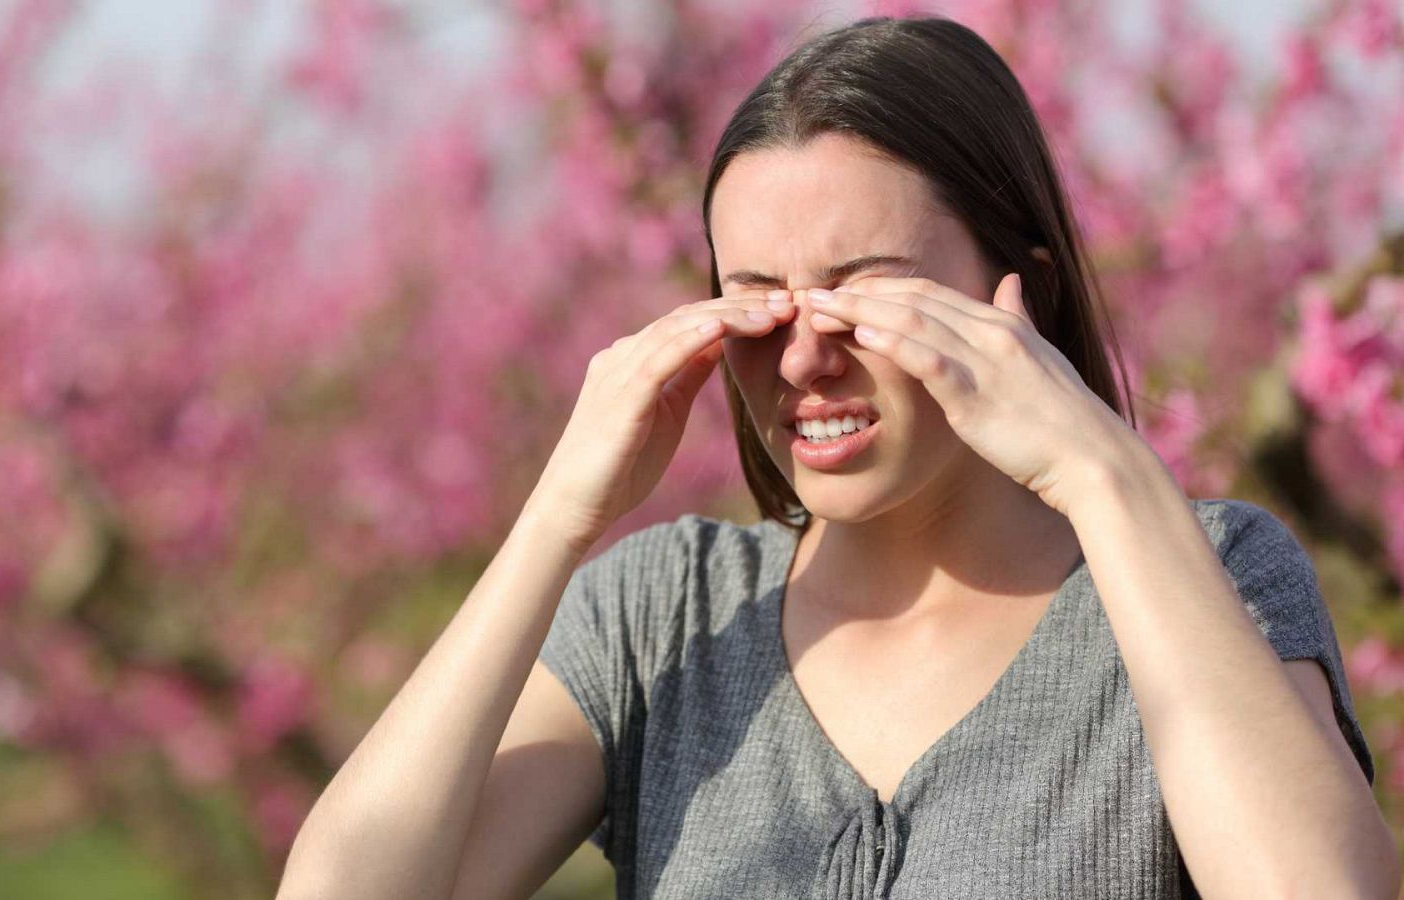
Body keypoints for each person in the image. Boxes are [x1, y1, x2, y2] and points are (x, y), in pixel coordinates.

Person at [276, 15, 1397, 900]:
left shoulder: (1207, 576)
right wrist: (558, 517)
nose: (805, 355)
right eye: (755, 304)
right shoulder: (661, 620)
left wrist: (1100, 477)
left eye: (862, 291)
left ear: (1022, 290)